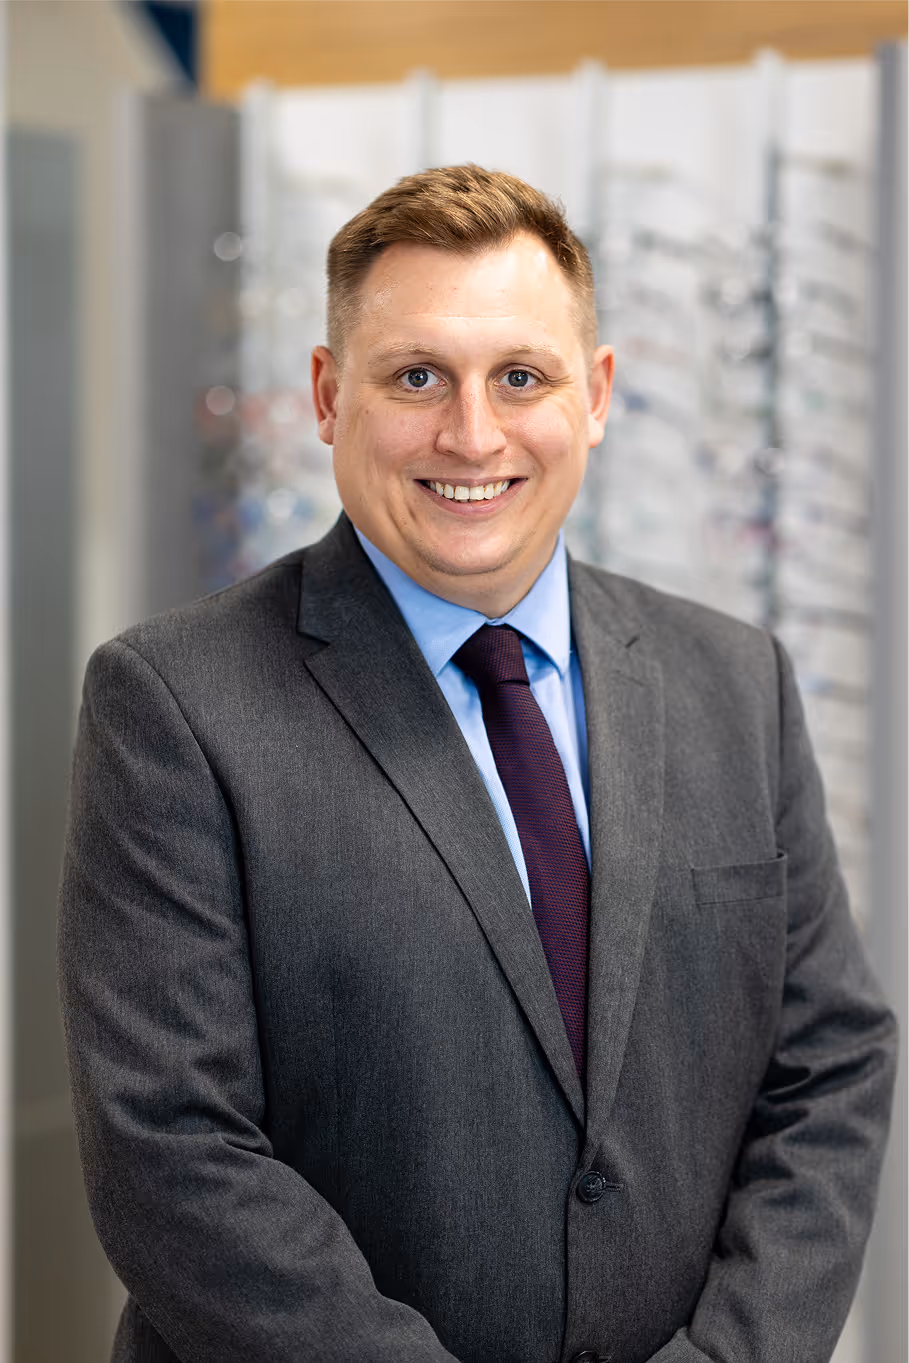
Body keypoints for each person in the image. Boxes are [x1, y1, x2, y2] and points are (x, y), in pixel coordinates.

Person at [57, 164, 897, 1363]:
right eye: (416, 376)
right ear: (327, 395)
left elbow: (828, 1066)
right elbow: (171, 1151)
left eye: (521, 376)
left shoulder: (734, 681)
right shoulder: (176, 704)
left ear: (595, 395)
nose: (472, 434)